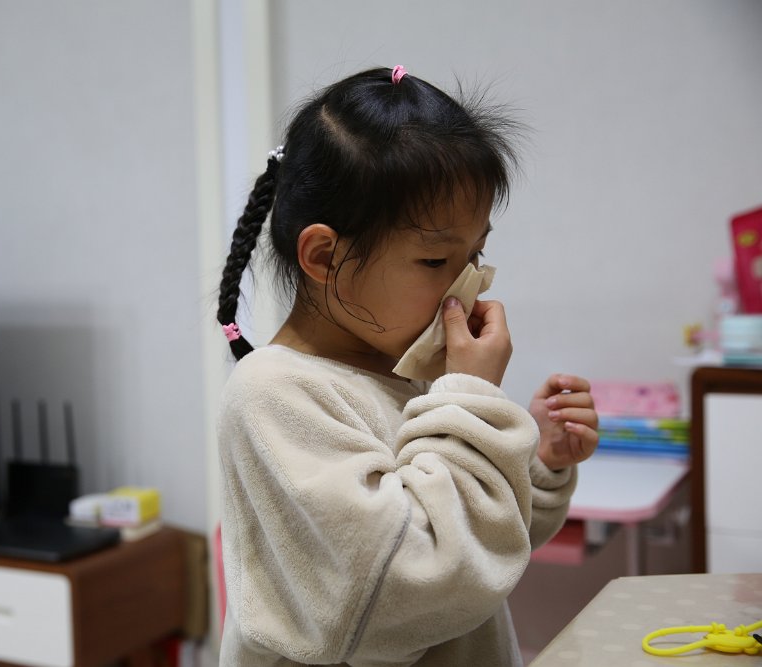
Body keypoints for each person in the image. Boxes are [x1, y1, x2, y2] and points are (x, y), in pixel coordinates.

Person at [214, 65, 599, 667]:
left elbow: (481, 555)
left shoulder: (409, 374)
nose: (468, 285)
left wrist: (542, 464)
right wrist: (470, 397)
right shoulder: (274, 393)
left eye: (477, 254)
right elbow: (407, 588)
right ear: (324, 256)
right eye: (436, 260)